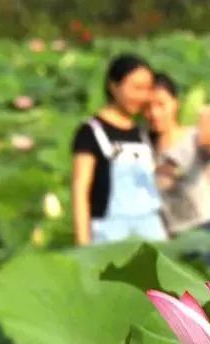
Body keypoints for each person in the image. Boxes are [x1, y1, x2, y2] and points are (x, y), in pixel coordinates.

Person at [71, 54, 166, 245]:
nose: (143, 96)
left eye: (148, 89)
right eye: (137, 88)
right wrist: (83, 244)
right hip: (110, 231)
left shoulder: (144, 132)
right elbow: (80, 190)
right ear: (114, 87)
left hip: (151, 227)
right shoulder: (91, 131)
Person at [147, 72, 210, 242]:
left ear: (175, 103)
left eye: (160, 105)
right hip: (178, 235)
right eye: (147, 107)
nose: (154, 113)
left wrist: (209, 126)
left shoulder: (194, 137)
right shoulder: (146, 151)